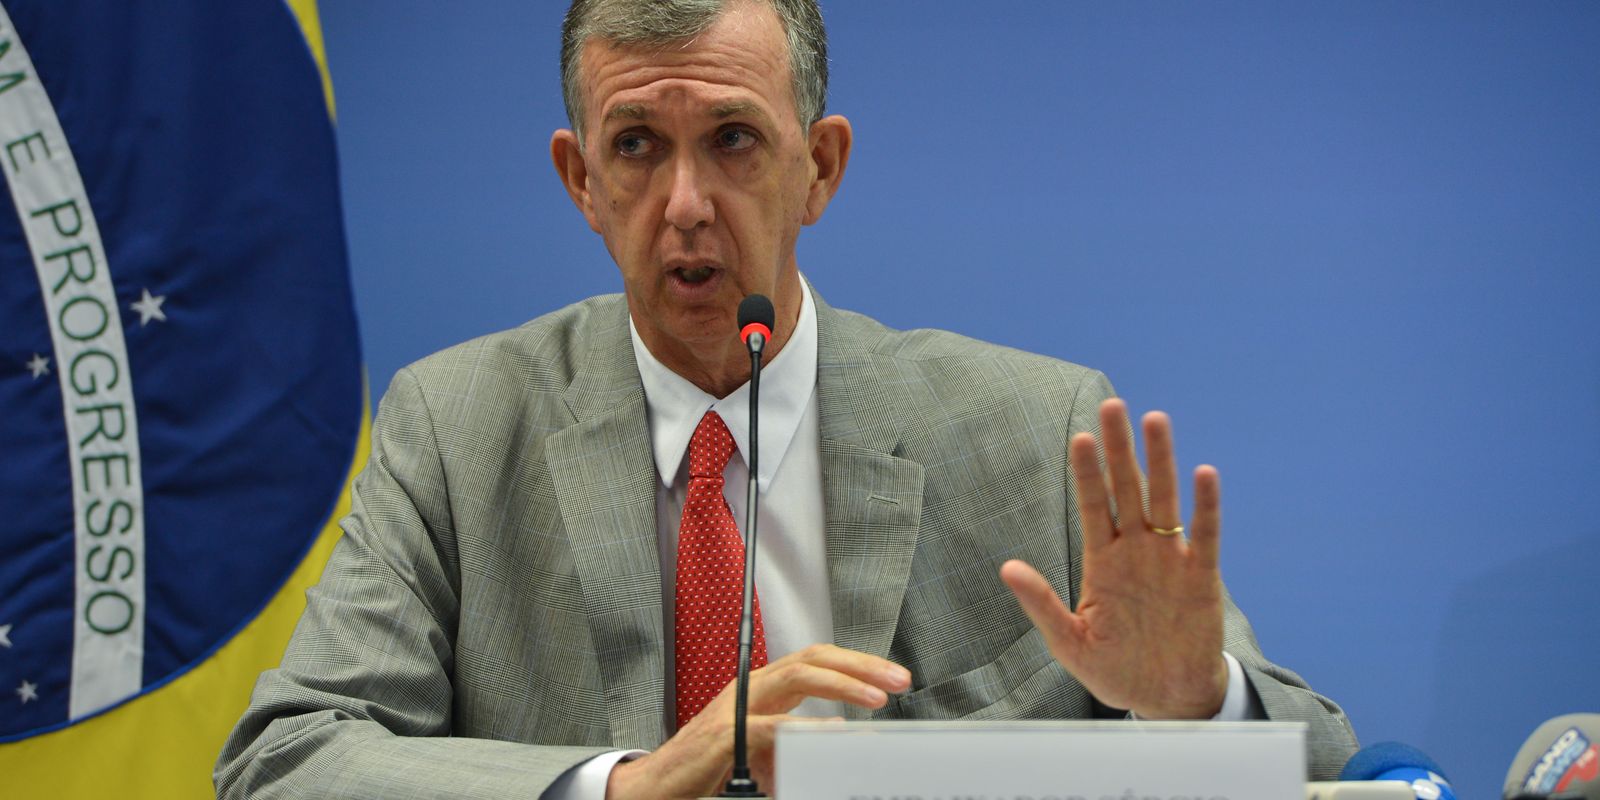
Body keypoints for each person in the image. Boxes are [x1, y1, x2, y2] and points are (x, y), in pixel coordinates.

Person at [215, 1, 1358, 797]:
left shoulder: (1032, 431)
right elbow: (285, 760)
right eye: (636, 146)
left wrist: (1195, 704)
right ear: (581, 181)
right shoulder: (457, 428)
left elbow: (1324, 765)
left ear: (820, 166)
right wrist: (626, 784)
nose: (685, 204)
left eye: (732, 140)